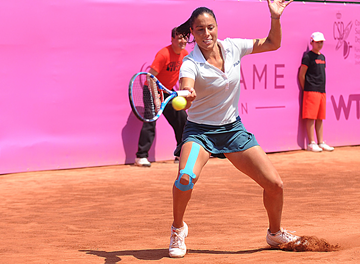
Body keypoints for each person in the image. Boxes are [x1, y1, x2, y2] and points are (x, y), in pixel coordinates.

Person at [167, 1, 298, 258]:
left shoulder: (233, 47)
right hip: (199, 134)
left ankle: (275, 233)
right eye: (200, 30)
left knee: (275, 184)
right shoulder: (189, 63)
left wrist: (275, 18)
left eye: (210, 28)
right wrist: (188, 95)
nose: (207, 34)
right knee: (185, 178)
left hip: (233, 131)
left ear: (217, 27)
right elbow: (186, 89)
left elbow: (273, 43)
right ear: (192, 33)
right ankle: (178, 229)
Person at [134, 28, 189, 167]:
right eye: (179, 38)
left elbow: (183, 76)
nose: (183, 41)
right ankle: (141, 157)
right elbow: (150, 76)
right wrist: (156, 97)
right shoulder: (164, 54)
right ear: (172, 39)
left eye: (185, 38)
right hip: (151, 89)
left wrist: (182, 91)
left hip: (167, 91)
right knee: (150, 120)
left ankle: (179, 154)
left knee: (182, 119)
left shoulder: (185, 54)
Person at [298, 32, 334, 152]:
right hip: (311, 90)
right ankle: (311, 143)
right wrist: (306, 88)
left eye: (321, 42)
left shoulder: (322, 57)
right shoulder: (308, 57)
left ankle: (321, 142)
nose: (320, 44)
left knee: (320, 117)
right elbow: (302, 75)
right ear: (312, 42)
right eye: (317, 42)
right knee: (310, 117)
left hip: (321, 91)